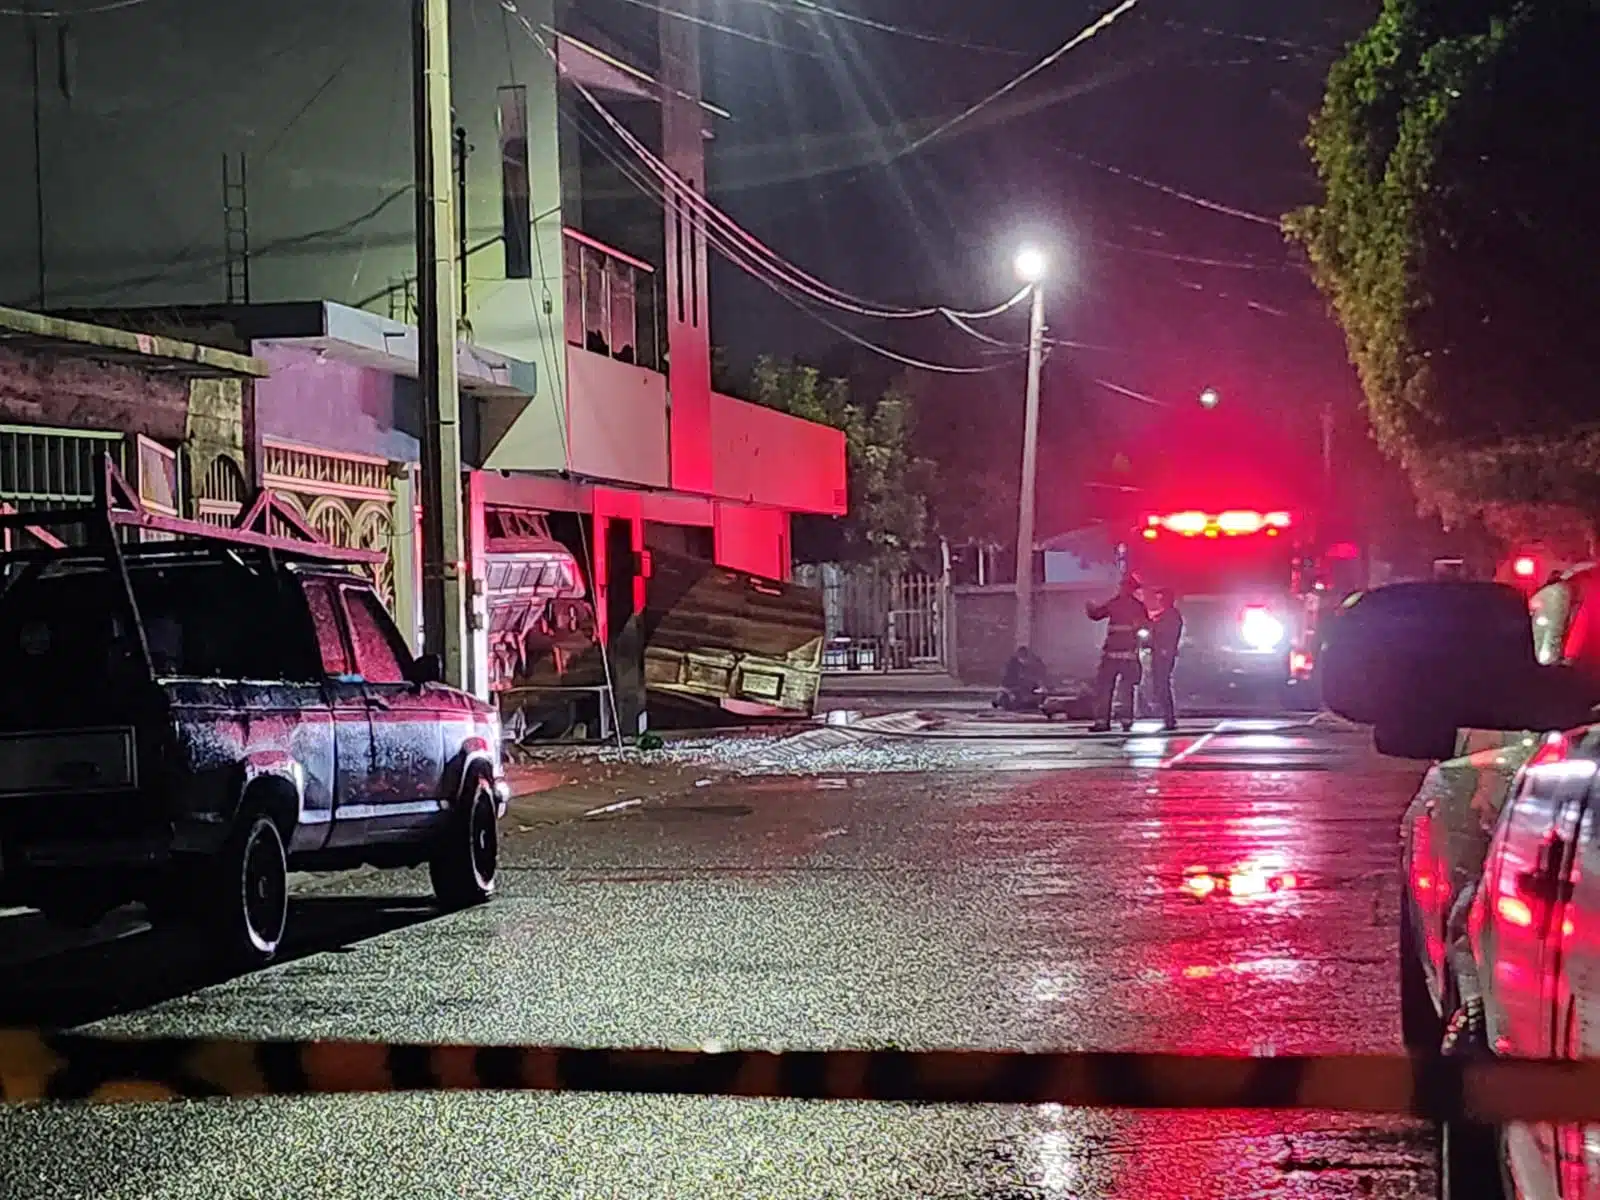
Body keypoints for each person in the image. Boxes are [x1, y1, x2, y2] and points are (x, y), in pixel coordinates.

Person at [1085, 573, 1149, 732]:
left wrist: (1090, 607)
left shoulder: (1115, 604)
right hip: (1128, 655)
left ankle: (1102, 722)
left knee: (1106, 688)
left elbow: (1096, 614)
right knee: (1126, 689)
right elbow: (1146, 627)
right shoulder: (1138, 606)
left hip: (1112, 655)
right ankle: (1126, 720)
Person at [1148, 588, 1183, 731]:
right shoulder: (1164, 615)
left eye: (1161, 598)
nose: (1159, 601)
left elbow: (1165, 635)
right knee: (1160, 685)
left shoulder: (1171, 616)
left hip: (1164, 655)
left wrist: (1163, 648)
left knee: (1162, 685)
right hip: (1160, 654)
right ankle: (1167, 718)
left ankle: (1169, 719)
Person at [994, 646, 1047, 713]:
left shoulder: (1028, 668)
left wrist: (1040, 687)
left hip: (1022, 695)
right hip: (1010, 695)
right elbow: (1003, 687)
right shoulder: (1010, 669)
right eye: (1025, 658)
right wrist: (1010, 694)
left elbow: (1034, 682)